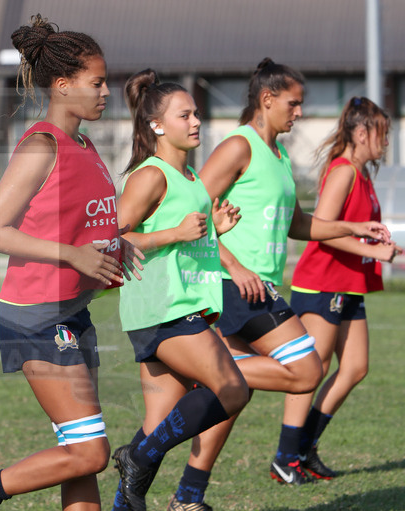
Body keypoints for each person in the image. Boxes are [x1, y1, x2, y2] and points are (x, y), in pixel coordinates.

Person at [0, 14, 143, 511]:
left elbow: (77, 222)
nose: (106, 92)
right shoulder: (41, 145)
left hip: (73, 312)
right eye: (97, 82)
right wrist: (72, 254)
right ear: (63, 85)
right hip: (36, 317)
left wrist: (117, 242)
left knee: (80, 453)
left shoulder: (85, 145)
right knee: (91, 452)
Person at [165, 58, 391, 509]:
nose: (300, 112)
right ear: (267, 100)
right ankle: (208, 370)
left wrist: (353, 228)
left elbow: (298, 224)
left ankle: (187, 497)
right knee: (305, 371)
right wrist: (233, 265)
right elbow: (191, 210)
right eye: (294, 103)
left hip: (261, 286)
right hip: (233, 284)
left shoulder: (280, 156)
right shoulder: (238, 146)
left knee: (232, 396)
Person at [108, 70, 249, 511]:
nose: (196, 122)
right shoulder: (150, 175)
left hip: (179, 307)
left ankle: (124, 500)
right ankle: (136, 458)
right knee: (233, 389)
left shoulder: (188, 177)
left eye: (196, 114)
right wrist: (175, 233)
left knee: (157, 424)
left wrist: (214, 230)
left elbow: (184, 236)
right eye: (184, 115)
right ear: (156, 124)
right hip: (163, 309)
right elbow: (111, 239)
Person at [278, 96, 401, 479]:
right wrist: (374, 251)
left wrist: (376, 244)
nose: (386, 141)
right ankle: (286, 457)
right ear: (361, 133)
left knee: (356, 367)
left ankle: (304, 447)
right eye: (382, 133)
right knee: (313, 369)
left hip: (348, 285)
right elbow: (323, 229)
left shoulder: (361, 173)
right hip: (322, 283)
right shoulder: (343, 171)